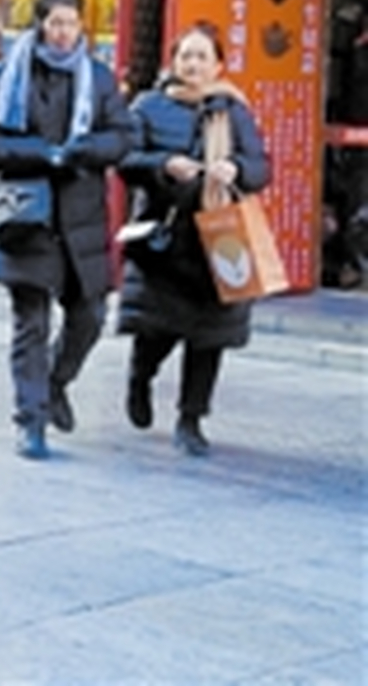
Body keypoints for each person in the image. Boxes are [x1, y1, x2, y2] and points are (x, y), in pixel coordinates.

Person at [0, 0, 135, 459]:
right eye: (55, 22)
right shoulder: (7, 74)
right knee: (31, 325)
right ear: (40, 24)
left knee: (90, 317)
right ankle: (30, 420)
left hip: (82, 219)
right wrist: (44, 154)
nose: (63, 32)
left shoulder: (98, 78)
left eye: (71, 22)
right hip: (27, 216)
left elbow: (122, 137)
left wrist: (84, 150)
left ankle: (56, 381)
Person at [117, 24, 271, 457]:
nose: (193, 64)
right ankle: (140, 377)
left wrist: (236, 169)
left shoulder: (234, 110)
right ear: (173, 61)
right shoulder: (149, 105)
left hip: (218, 242)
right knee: (156, 329)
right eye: (186, 55)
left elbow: (261, 166)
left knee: (209, 337)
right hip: (165, 242)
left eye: (203, 57)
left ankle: (191, 418)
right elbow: (125, 158)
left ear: (218, 65)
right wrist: (164, 165)